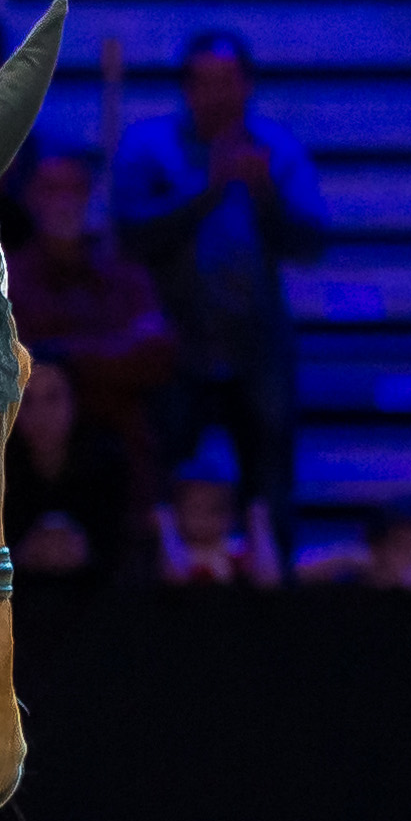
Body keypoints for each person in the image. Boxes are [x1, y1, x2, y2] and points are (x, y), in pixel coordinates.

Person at [114, 29, 326, 544]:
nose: (219, 94)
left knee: (269, 481)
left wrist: (267, 195)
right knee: (163, 477)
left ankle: (274, 601)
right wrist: (206, 188)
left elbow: (313, 241)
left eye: (229, 82)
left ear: (248, 86)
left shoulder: (276, 150)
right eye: (205, 83)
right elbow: (130, 233)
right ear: (185, 88)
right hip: (172, 343)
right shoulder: (149, 146)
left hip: (257, 345)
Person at [6, 145, 176, 492]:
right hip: (24, 461)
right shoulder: (7, 278)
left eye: (74, 189)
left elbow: (157, 354)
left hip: (114, 450)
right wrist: (101, 359)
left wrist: (62, 354)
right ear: (31, 197)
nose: (64, 202)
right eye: (52, 190)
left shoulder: (124, 275)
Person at [3, 357, 134, 582]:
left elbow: (121, 548)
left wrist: (85, 551)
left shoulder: (108, 460)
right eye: (27, 400)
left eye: (52, 398)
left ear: (74, 401)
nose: (40, 414)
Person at [154, 428, 283, 587]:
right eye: (195, 509)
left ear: (232, 514)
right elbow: (175, 580)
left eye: (214, 510)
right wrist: (167, 528)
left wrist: (259, 523)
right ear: (178, 512)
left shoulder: (235, 551)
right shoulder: (179, 555)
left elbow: (270, 581)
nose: (203, 520)